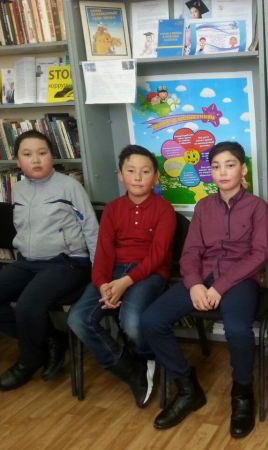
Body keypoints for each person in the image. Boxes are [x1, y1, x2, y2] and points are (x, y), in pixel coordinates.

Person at [141, 141, 268, 438]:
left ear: (243, 169)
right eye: (216, 166)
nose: (222, 172)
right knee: (151, 320)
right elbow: (190, 252)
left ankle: (242, 393)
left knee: (237, 329)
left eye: (230, 165)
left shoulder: (256, 207)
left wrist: (220, 287)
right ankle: (188, 388)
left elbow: (259, 254)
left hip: (239, 279)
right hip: (202, 277)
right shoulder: (203, 207)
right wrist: (195, 283)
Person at [67, 145, 175, 408]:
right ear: (120, 175)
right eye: (131, 171)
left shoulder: (164, 210)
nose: (137, 177)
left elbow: (158, 256)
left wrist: (125, 283)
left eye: (145, 171)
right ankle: (129, 369)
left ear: (156, 177)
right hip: (113, 272)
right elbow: (103, 251)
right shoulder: (113, 209)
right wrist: (103, 284)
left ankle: (146, 356)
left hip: (149, 272)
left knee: (132, 322)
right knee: (78, 319)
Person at [0, 130, 98, 390]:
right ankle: (51, 339)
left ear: (52, 156)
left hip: (68, 262)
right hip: (28, 262)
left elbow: (91, 229)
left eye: (42, 153)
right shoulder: (18, 189)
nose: (36, 159)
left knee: (28, 305)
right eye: (27, 154)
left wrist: (100, 273)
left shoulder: (70, 186)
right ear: (18, 161)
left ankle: (29, 361)